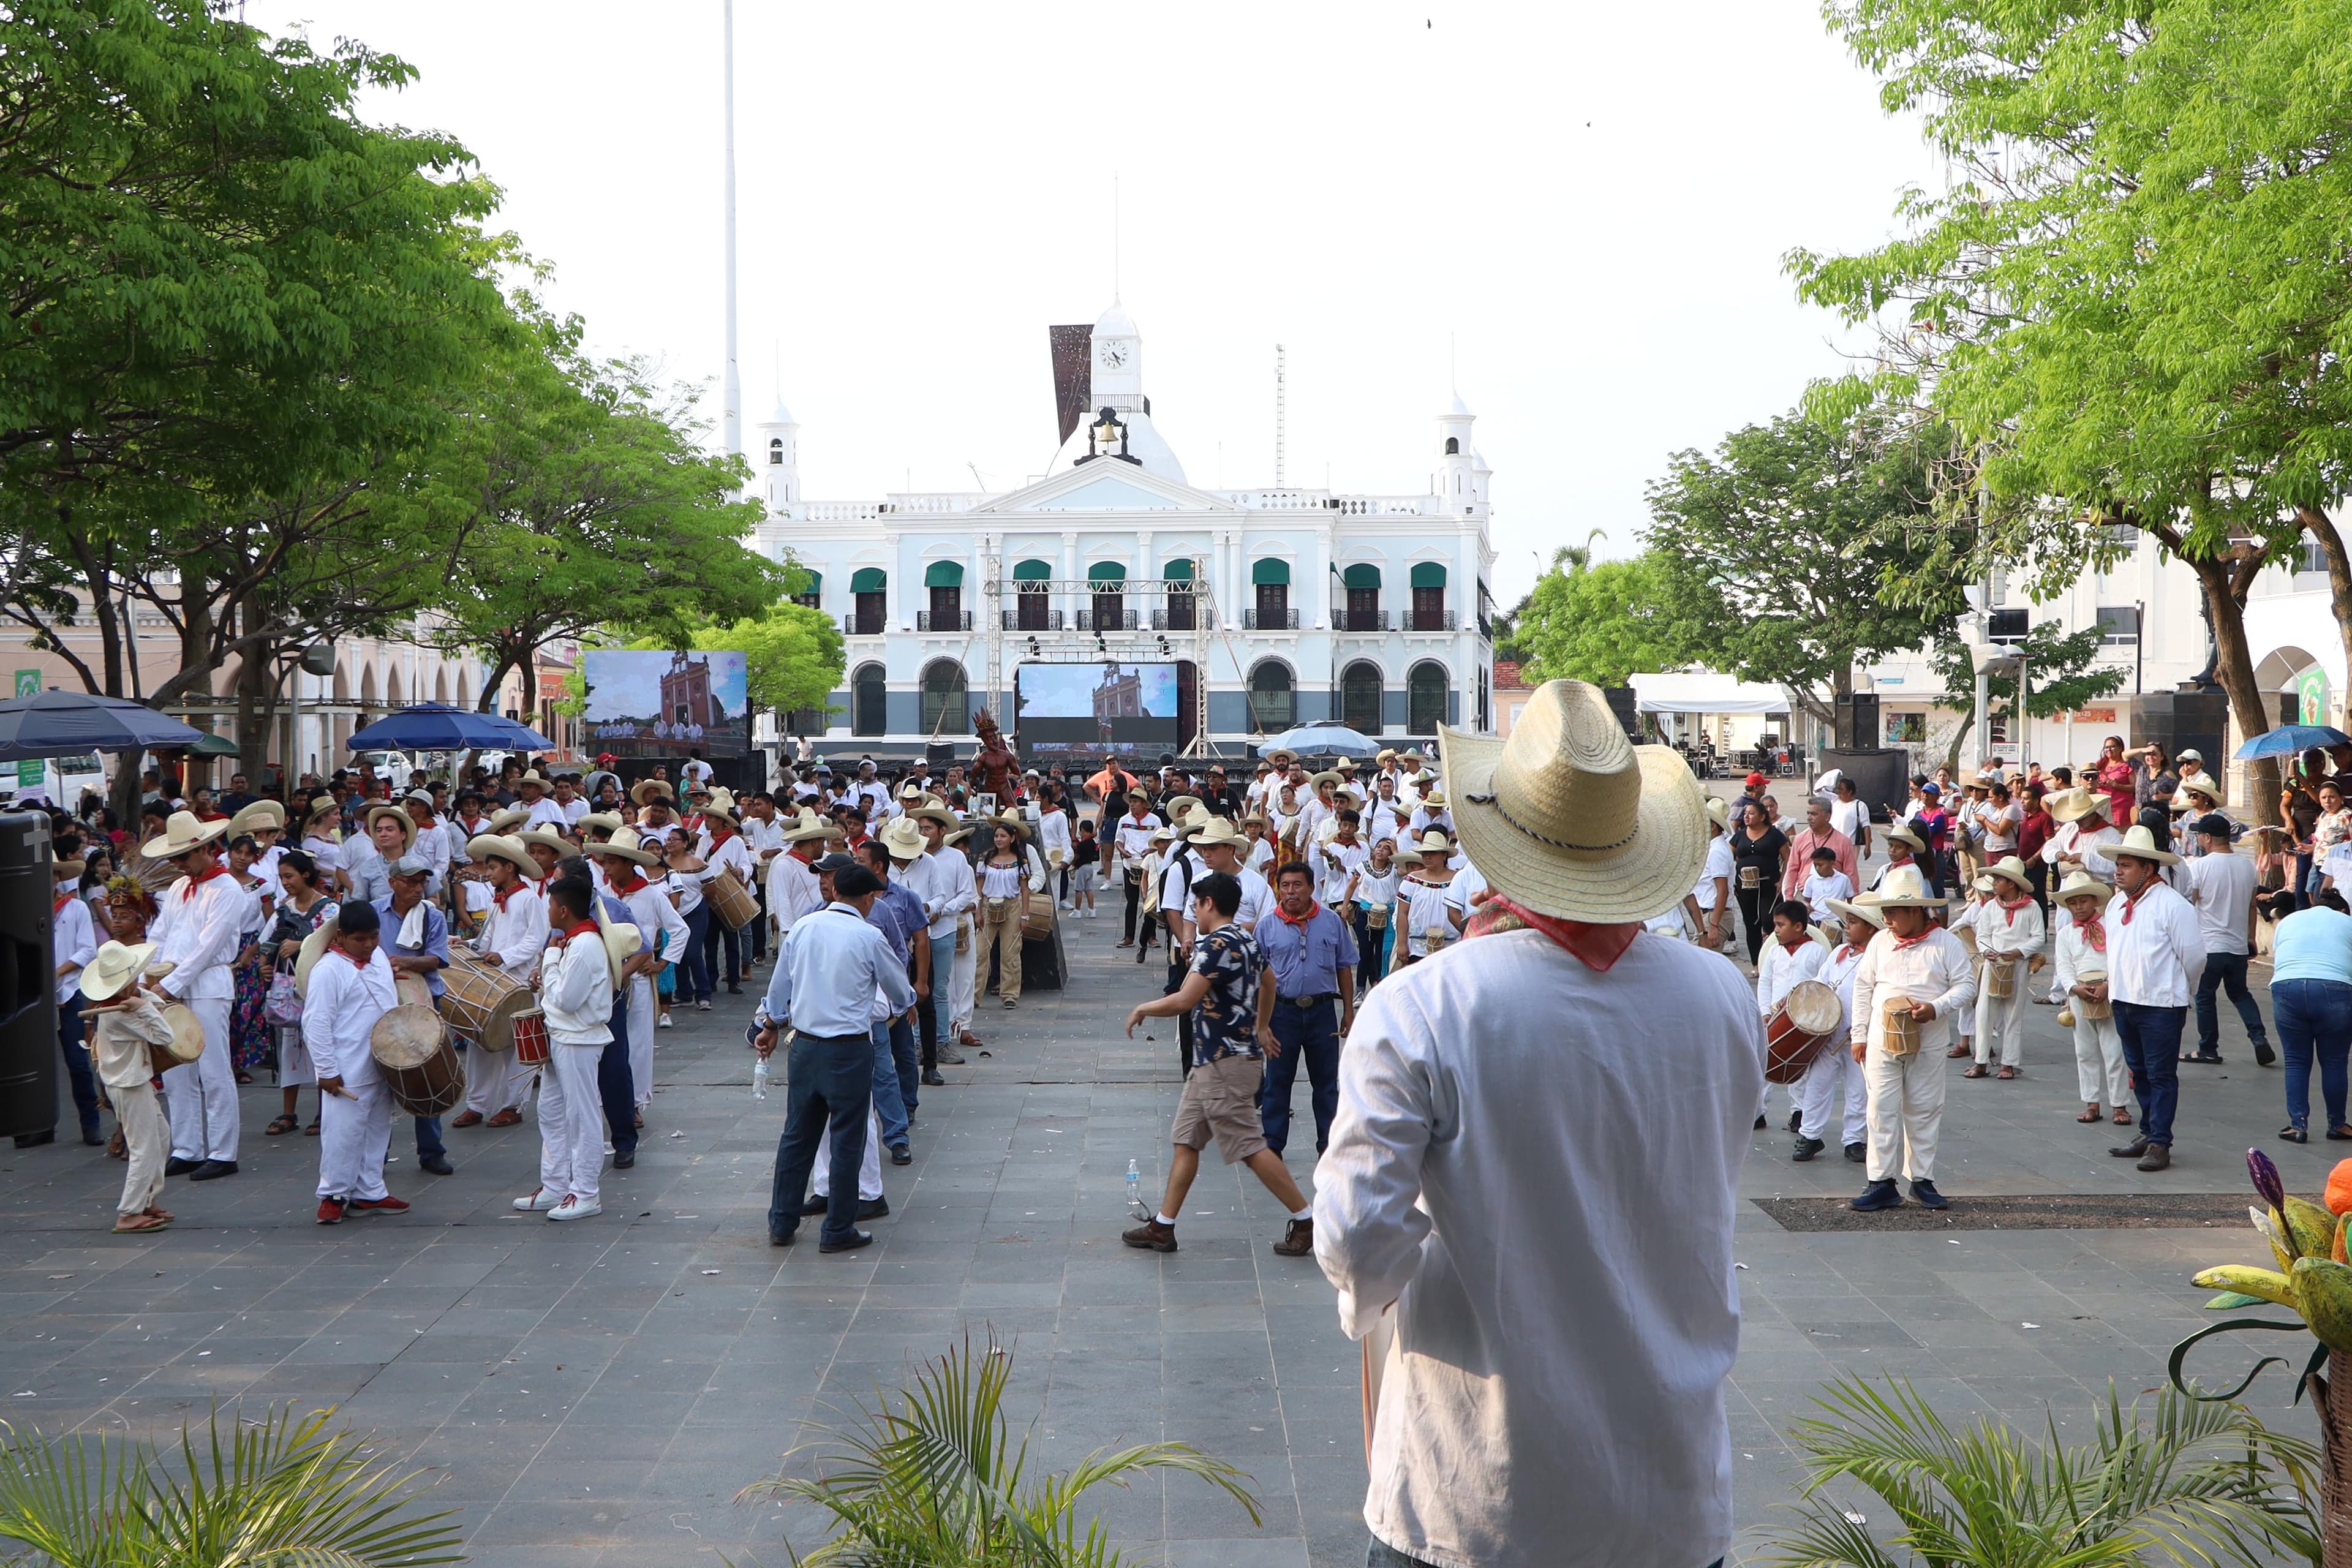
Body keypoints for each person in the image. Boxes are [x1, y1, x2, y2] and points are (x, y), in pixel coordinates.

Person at [1313, 680, 1761, 1568]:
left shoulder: (1424, 1004)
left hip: (1476, 1489)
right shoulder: (1722, 995)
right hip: (1669, 1489)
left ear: (1499, 839)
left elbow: (1358, 1237)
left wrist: (1407, 1270)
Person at [1122, 871, 1321, 1257]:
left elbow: (1185, 999)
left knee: (1249, 1146)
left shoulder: (1215, 945)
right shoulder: (1247, 939)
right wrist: (1262, 1027)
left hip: (1223, 1063)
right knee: (1187, 1139)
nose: (1194, 911)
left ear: (1209, 904)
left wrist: (1144, 1007)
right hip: (1217, 1060)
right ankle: (1163, 1226)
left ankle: (1306, 1219)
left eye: (1196, 905)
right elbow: (1270, 982)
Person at [756, 860, 916, 1253]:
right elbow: (901, 992)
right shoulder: (868, 935)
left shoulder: (804, 929)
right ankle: (838, 1229)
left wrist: (771, 1026)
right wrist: (901, 1003)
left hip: (805, 1046)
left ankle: (781, 1222)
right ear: (866, 898)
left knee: (797, 1136)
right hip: (848, 1050)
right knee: (847, 1139)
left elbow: (779, 992)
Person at [1849, 865, 1976, 1212]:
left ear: (1916, 911)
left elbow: (1967, 985)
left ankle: (1922, 1180)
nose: (1887, 920)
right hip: (1880, 1040)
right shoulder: (1879, 943)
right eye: (1885, 913)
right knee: (1880, 1109)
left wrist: (1936, 1007)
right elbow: (1863, 989)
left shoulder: (1945, 943)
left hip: (1928, 1041)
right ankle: (1881, 1181)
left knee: (1924, 1108)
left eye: (1893, 913)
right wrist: (1858, 1034)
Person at [144, 811, 244, 1182]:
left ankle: (223, 1150)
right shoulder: (178, 888)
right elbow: (160, 936)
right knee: (176, 1071)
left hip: (207, 986)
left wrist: (168, 984)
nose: (178, 865)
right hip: (172, 984)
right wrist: (145, 974)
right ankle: (187, 1147)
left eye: (183, 858)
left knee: (213, 1068)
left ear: (205, 849)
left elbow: (207, 948)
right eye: (176, 859)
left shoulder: (228, 889)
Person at [513, 877, 618, 1221]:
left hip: (579, 1039)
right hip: (563, 1036)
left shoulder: (585, 944)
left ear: (562, 909)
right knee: (552, 1112)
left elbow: (566, 999)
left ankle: (586, 1193)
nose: (547, 911)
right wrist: (552, 966)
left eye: (550, 905)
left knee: (580, 1115)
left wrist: (550, 963)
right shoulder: (575, 941)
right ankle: (556, 1185)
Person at [2103, 826, 2203, 1172]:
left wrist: (2176, 988)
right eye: (2118, 864)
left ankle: (2160, 1141)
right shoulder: (2116, 903)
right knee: (2140, 1072)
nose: (2118, 870)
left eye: (2126, 865)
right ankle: (2148, 1132)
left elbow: (2194, 958)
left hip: (2161, 1004)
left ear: (2148, 868)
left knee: (2161, 1074)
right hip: (2125, 1000)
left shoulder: (2172, 905)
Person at [304, 899, 408, 1226]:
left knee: (379, 1128)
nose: (369, 945)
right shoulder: (327, 971)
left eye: (374, 937)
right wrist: (327, 1070)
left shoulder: (377, 957)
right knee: (342, 1133)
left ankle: (370, 1190)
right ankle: (333, 1194)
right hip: (346, 1066)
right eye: (360, 940)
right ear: (340, 937)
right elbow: (316, 1024)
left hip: (381, 1060)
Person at [1254, 862, 1358, 1159]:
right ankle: (1273, 1144)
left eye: (1297, 885)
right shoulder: (1266, 926)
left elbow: (1344, 967)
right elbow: (1256, 977)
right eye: (1285, 886)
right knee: (1277, 1080)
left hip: (1322, 1012)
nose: (1291, 892)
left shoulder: (1330, 921)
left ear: (1312, 888)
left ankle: (1329, 1144)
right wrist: (1261, 1024)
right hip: (1281, 1014)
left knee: (1326, 1084)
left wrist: (1348, 1011)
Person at [80, 940, 177, 1233]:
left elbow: (158, 1006)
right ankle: (129, 1213)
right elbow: (165, 1034)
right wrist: (143, 1006)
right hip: (128, 1084)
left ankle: (146, 1199)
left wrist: (142, 1000)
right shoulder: (118, 1014)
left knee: (161, 1135)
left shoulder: (127, 1003)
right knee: (143, 1148)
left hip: (133, 1080)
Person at [452, 834, 546, 1129]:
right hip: (493, 984)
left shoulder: (529, 899)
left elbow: (536, 940)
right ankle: (477, 1104)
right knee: (482, 1045)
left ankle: (512, 1104)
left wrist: (504, 956)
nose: (488, 873)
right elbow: (486, 940)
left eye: (492, 868)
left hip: (518, 982)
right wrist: (467, 946)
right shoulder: (497, 902)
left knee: (517, 1048)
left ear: (509, 867)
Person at [376, 856, 455, 1176]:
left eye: (422, 882)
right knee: (378, 1078)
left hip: (423, 998)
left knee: (427, 1073)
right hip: (380, 998)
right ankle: (376, 1151)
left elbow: (438, 958)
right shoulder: (373, 911)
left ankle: (432, 1150)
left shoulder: (431, 915)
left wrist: (403, 963)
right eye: (411, 882)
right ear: (393, 882)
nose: (418, 888)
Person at [2182, 812, 2273, 1068]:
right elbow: (2252, 907)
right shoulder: (2246, 866)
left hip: (2209, 945)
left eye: (2200, 834)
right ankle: (2259, 1037)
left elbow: (2192, 902)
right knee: (2240, 993)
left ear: (2208, 838)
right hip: (2236, 946)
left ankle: (2208, 1048)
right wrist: (2251, 939)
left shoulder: (2200, 867)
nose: (2198, 839)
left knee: (2205, 996)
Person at [1797, 899, 1877, 1164]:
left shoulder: (1876, 958)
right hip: (1829, 1034)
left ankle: (1854, 1139)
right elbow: (1821, 983)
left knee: (1858, 1089)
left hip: (1859, 1036)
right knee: (1817, 1086)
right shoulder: (1839, 952)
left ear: (1870, 929)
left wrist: (1865, 1024)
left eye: (1854, 922)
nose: (1847, 926)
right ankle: (1809, 1135)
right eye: (1847, 921)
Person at [2052, 870, 2131, 1126]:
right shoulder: (2065, 934)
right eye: (2073, 903)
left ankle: (2119, 1104)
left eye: (2083, 901)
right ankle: (2091, 1102)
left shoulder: (2111, 926)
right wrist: (2074, 988)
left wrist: (2109, 984)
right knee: (2084, 1051)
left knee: (2114, 1051)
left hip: (2109, 992)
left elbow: (2119, 959)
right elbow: (2063, 966)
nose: (2078, 907)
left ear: (2093, 901)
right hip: (2079, 995)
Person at [2272, 891, 2352, 1143]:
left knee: (2296, 1060)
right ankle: (2337, 1125)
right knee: (2335, 1062)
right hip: (2335, 989)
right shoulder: (2347, 922)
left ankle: (2298, 1126)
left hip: (2287, 986)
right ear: (2342, 911)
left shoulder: (2290, 920)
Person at [1962, 856, 2043, 1081]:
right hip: (1993, 965)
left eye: (1999, 880)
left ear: (2011, 883)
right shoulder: (1990, 907)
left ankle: (2008, 1062)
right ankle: (1981, 1060)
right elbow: (1983, 935)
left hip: (2018, 965)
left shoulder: (2032, 907)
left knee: (2013, 1014)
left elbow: (2039, 938)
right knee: (1984, 1012)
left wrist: (2018, 952)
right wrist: (1988, 951)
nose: (1995, 884)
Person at [51, 853, 101, 1146]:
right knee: (37, 1064)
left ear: (59, 878)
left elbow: (87, 950)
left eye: (53, 875)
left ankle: (91, 1122)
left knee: (78, 1062)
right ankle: (38, 1124)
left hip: (69, 991)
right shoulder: (22, 909)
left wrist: (57, 972)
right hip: (37, 995)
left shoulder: (77, 908)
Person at [975, 820, 1031, 1009]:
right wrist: (978, 911)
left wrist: (1025, 916)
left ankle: (1009, 994)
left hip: (1012, 906)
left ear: (1012, 838)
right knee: (980, 952)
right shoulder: (986, 858)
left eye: (1003, 836)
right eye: (997, 836)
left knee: (1010, 952)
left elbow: (1025, 890)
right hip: (987, 905)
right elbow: (979, 887)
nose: (999, 839)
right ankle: (974, 995)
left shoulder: (1020, 861)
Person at [1729, 800, 1786, 964]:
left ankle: (1770, 956)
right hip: (1745, 887)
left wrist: (1783, 880)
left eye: (1751, 813)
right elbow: (1728, 857)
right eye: (1746, 813)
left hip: (1769, 885)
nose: (1747, 816)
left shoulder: (1774, 835)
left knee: (1769, 921)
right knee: (1751, 923)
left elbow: (1788, 857)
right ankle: (1756, 963)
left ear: (1762, 817)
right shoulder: (1739, 835)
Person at [1779, 797, 1858, 901]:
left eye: (1814, 814)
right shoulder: (1800, 839)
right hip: (1804, 896)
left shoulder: (1843, 842)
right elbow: (1792, 869)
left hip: (1833, 897)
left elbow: (1851, 873)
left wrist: (1854, 902)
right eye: (1808, 814)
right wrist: (1789, 898)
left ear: (1827, 816)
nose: (1809, 818)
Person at [1798, 844, 1852, 927]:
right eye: (1815, 865)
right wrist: (1807, 906)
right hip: (1815, 920)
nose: (1817, 868)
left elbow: (1851, 901)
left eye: (1820, 865)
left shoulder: (1844, 880)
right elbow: (1806, 900)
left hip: (1836, 921)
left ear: (1832, 863)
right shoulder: (1811, 880)